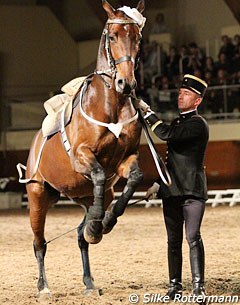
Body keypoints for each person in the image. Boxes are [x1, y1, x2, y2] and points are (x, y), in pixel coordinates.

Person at [136, 74, 209, 304]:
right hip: (172, 192)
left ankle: (198, 287)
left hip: (192, 193)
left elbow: (165, 134)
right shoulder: (179, 122)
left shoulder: (198, 124)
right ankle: (174, 286)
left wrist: (147, 113)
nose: (180, 96)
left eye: (186, 94)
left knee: (193, 237)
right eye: (180, 92)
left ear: (197, 101)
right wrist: (158, 183)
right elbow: (172, 163)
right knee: (173, 241)